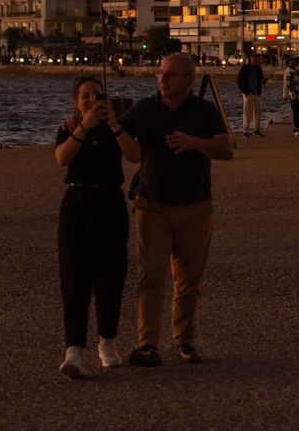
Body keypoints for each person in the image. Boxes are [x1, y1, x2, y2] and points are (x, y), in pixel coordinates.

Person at [120, 53, 233, 367]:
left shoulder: (204, 111)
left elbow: (225, 150)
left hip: (195, 206)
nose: (163, 79)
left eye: (171, 75)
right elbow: (120, 135)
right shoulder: (144, 109)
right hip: (151, 205)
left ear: (190, 79)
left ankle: (184, 340)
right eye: (161, 73)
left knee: (187, 281)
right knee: (151, 277)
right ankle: (147, 345)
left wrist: (194, 142)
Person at [54, 76, 143, 378]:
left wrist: (114, 124)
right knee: (75, 276)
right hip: (77, 201)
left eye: (97, 96)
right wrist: (83, 126)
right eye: (86, 97)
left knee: (111, 274)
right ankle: (74, 349)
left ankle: (107, 341)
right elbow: (61, 158)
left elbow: (134, 155)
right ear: (76, 103)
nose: (92, 101)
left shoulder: (115, 127)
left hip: (109, 200)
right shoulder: (69, 128)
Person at [236, 53, 266, 137]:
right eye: (256, 60)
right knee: (247, 112)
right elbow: (239, 81)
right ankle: (245, 131)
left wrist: (263, 81)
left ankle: (256, 129)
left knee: (258, 111)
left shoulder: (258, 68)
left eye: (258, 60)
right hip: (248, 92)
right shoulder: (244, 68)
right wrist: (244, 91)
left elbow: (260, 79)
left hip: (257, 92)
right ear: (251, 59)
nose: (257, 61)